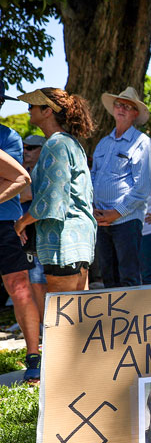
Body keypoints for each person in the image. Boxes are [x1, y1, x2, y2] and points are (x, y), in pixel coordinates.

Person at [15, 86, 97, 296]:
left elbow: (52, 202)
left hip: (63, 242)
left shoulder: (55, 144)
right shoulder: (71, 144)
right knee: (78, 318)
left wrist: (22, 223)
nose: (28, 109)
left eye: (32, 105)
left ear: (47, 110)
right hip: (78, 240)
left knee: (64, 319)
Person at [92, 86, 151, 287]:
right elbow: (93, 178)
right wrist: (93, 209)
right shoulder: (103, 143)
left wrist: (116, 213)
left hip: (126, 220)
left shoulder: (142, 142)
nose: (122, 109)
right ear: (113, 109)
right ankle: (114, 319)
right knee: (108, 276)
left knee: (128, 276)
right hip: (101, 218)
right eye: (119, 104)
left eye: (128, 107)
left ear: (135, 114)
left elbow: (142, 188)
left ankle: (133, 319)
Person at [0, 85, 41, 383]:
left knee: (20, 288)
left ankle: (33, 357)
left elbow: (14, 179)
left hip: (5, 222)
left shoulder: (10, 137)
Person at [18, 135, 48, 323]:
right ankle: (37, 325)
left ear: (43, 150)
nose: (25, 151)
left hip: (42, 233)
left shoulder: (45, 171)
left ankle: (48, 329)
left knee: (40, 282)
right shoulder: (23, 171)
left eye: (31, 148)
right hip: (22, 234)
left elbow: (29, 195)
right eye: (24, 147)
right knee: (28, 283)